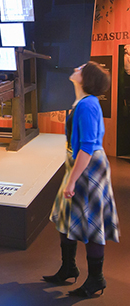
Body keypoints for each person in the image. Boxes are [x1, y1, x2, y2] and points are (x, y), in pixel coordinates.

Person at [43, 61, 120, 297]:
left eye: (81, 69)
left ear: (86, 79)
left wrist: (71, 181)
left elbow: (87, 147)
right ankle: (69, 267)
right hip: (80, 165)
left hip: (88, 168)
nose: (76, 68)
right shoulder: (83, 102)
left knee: (91, 222)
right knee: (66, 216)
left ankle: (96, 279)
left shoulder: (87, 105)